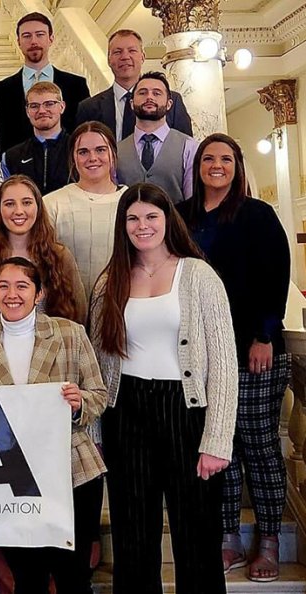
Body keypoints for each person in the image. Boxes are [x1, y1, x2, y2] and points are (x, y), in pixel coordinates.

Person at [90, 183, 237, 594]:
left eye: (151, 216)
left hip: (185, 410)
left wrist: (217, 439)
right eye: (133, 218)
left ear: (167, 220)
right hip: (127, 411)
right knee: (133, 535)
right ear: (123, 225)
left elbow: (224, 364)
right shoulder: (109, 281)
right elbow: (101, 368)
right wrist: (98, 432)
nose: (142, 226)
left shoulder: (198, 275)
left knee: (197, 536)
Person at [177, 134, 291, 583]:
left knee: (258, 443)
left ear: (237, 165)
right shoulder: (182, 215)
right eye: (209, 158)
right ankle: (226, 536)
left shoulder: (257, 215)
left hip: (252, 348)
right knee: (215, 443)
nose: (217, 165)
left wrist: (264, 334)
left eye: (226, 158)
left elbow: (275, 275)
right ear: (197, 166)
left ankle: (268, 539)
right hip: (201, 351)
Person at [0, 256, 106, 594]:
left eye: (22, 285)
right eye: (3, 285)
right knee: (28, 577)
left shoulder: (70, 334)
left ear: (39, 293)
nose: (12, 294)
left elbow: (98, 395)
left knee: (73, 576)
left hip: (72, 469)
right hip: (9, 477)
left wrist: (78, 404)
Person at [0, 175, 85, 330]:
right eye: (9, 204)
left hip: (53, 348)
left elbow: (80, 315)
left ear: (38, 207)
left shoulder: (60, 255)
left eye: (26, 203)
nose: (19, 211)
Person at [44, 121, 127, 304]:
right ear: (73, 158)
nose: (92, 158)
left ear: (113, 154)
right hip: (65, 308)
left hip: (121, 307)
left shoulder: (132, 203)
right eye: (83, 152)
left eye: (100, 150)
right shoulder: (51, 204)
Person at [0, 13, 90, 155]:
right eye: (26, 36)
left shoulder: (76, 85)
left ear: (51, 39)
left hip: (67, 165)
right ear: (18, 41)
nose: (33, 41)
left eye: (40, 34)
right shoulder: (1, 90)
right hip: (18, 168)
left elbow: (84, 129)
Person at [75, 29, 193, 141]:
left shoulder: (171, 101)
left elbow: (185, 147)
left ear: (142, 56)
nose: (125, 57)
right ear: (108, 59)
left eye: (132, 51)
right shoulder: (88, 108)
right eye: (117, 52)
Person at [116, 72, 197, 204]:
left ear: (169, 104)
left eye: (157, 93)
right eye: (142, 93)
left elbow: (193, 201)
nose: (149, 97)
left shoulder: (189, 147)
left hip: (176, 223)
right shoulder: (116, 151)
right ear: (131, 103)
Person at [1, 81, 71, 195]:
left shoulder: (79, 149)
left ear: (62, 107)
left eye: (49, 104)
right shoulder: (11, 157)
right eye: (34, 106)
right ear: (27, 111)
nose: (42, 111)